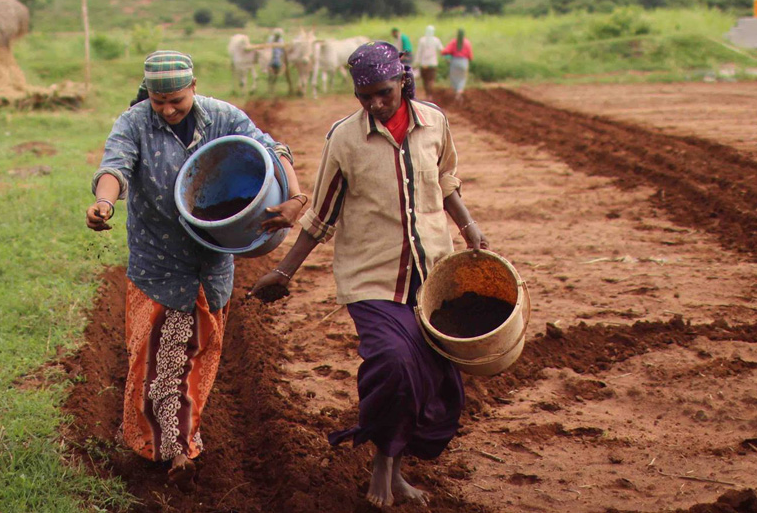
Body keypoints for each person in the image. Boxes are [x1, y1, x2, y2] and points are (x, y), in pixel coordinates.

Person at [248, 41, 489, 508]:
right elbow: (322, 215)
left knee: (428, 376)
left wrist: (469, 225)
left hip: (433, 275)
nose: (375, 104)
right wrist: (284, 271)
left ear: (402, 81)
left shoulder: (434, 122)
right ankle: (381, 463)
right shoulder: (345, 138)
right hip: (371, 278)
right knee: (394, 364)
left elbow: (446, 180)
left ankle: (397, 468)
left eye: (383, 93)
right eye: (364, 97)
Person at [87, 50, 305, 490]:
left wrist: (295, 196)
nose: (167, 110)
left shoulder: (223, 118)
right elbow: (114, 167)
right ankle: (171, 451)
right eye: (157, 100)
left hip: (211, 261)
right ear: (147, 94)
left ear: (193, 88)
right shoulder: (133, 123)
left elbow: (272, 148)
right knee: (158, 360)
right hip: (159, 263)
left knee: (196, 356)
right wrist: (105, 201)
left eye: (177, 101)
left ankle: (177, 438)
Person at [441, 29, 473, 104]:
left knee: (454, 77)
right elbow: (470, 56)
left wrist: (445, 54)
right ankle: (459, 91)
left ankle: (456, 91)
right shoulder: (467, 42)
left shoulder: (453, 42)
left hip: (455, 61)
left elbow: (445, 51)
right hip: (464, 62)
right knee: (462, 78)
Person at [414, 25, 442, 100]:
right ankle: (430, 95)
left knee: (425, 80)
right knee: (431, 80)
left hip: (424, 64)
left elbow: (419, 52)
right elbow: (441, 50)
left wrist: (416, 62)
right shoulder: (436, 40)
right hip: (433, 64)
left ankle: (427, 94)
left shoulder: (422, 40)